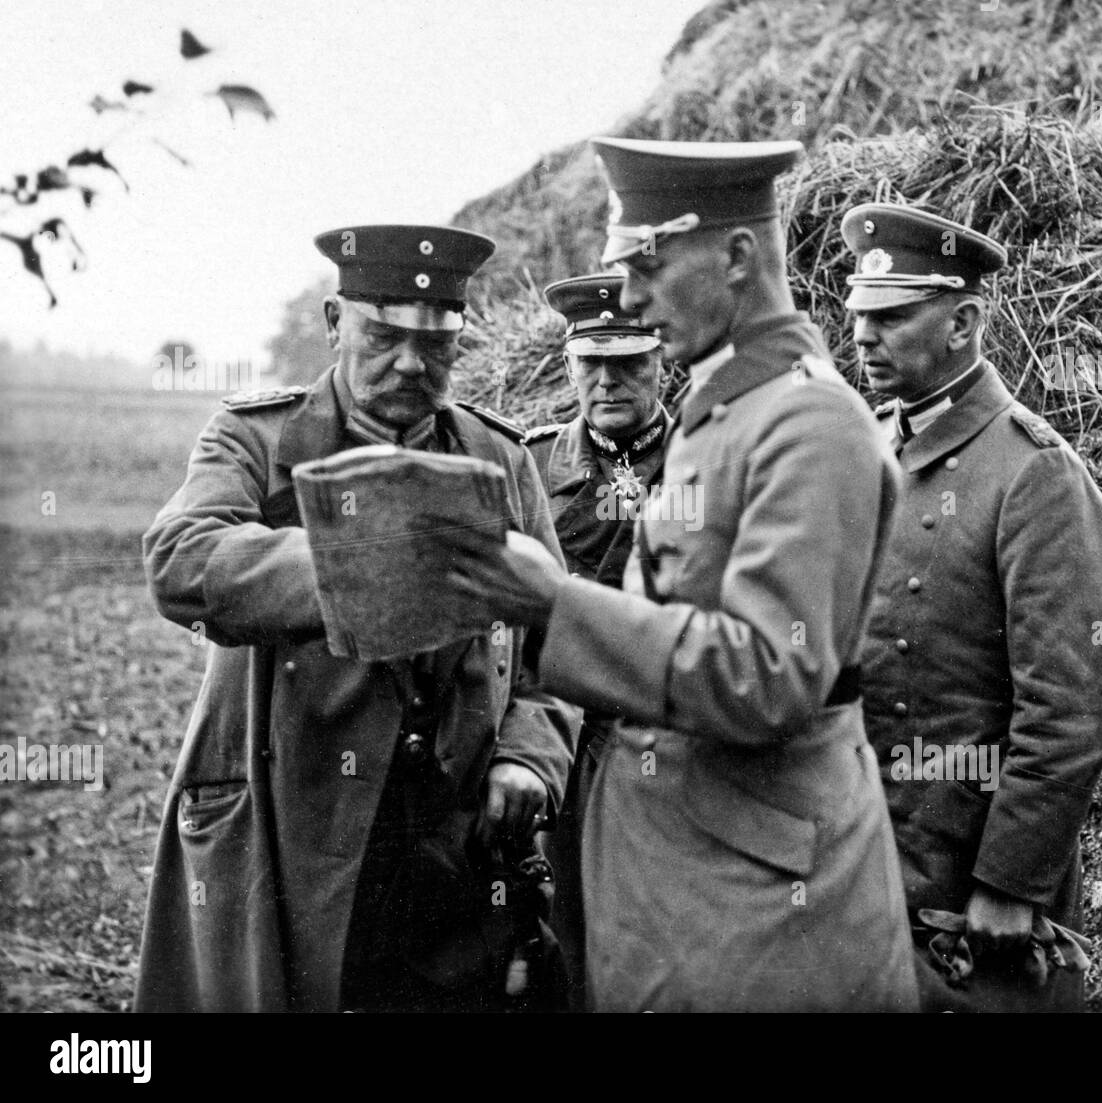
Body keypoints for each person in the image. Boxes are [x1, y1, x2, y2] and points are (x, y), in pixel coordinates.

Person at [445, 138, 919, 1012]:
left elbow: (770, 673)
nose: (628, 294)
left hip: (760, 902)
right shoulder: (726, 409)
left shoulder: (811, 425)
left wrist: (551, 603)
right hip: (696, 873)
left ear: (737, 255)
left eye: (649, 262)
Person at [134, 224, 579, 1013]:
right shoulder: (258, 440)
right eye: (382, 335)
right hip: (293, 831)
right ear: (337, 324)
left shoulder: (502, 458)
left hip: (451, 843)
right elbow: (182, 559)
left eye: (433, 343)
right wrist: (360, 560)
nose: (409, 363)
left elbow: (555, 645)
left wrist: (530, 757)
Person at [841, 202, 1102, 1011]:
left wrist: (1010, 882)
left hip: (968, 908)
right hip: (863, 871)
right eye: (860, 314)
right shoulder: (866, 452)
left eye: (893, 317)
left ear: (964, 320)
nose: (864, 336)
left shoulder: (1033, 473)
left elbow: (1073, 707)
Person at [523, 272, 671, 1006]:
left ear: (661, 360)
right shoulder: (532, 467)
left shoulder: (710, 461)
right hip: (568, 740)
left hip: (675, 739)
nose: (608, 382)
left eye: (629, 363)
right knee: (567, 935)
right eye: (592, 364)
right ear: (569, 367)